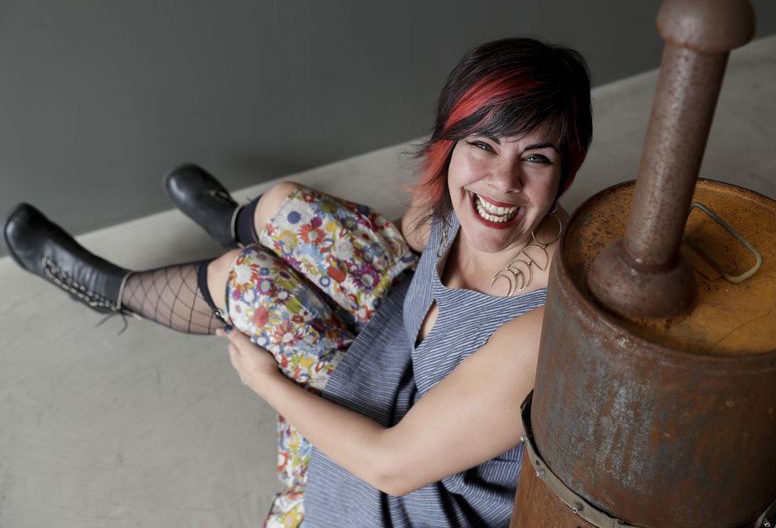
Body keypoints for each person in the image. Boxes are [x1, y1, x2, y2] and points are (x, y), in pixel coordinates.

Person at [4, 37, 592, 527]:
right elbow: (407, 233)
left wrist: (268, 384)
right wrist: (301, 242)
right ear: (451, 146)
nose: (502, 181)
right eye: (482, 145)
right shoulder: (455, 204)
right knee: (285, 208)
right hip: (402, 353)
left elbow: (393, 466)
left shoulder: (539, 328)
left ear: (567, 167)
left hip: (417, 483)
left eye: (536, 158)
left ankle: (116, 289)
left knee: (251, 284)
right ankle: (249, 221)